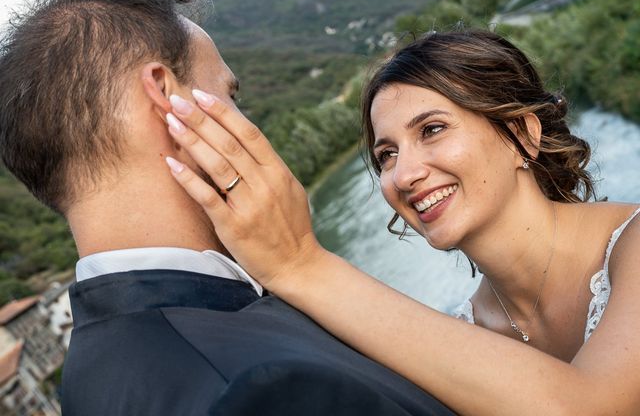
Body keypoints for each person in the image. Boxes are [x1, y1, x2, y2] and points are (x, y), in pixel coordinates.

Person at [0, 0, 454, 415]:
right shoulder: (258, 388)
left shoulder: (86, 381)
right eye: (232, 96)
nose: (249, 123)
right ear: (167, 96)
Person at [163, 29, 640, 415]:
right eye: (386, 155)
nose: (405, 175)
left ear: (520, 134)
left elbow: (592, 407)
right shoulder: (460, 334)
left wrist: (300, 265)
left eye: (432, 130)